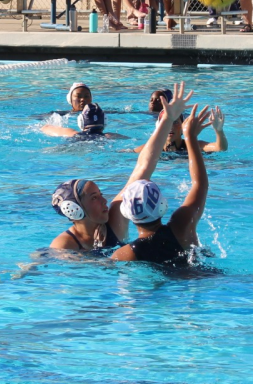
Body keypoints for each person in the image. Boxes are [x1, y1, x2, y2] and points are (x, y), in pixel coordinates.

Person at [49, 81, 192, 253]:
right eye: (94, 197)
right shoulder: (63, 247)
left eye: (100, 195)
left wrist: (167, 120)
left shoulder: (114, 220)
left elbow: (144, 166)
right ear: (75, 209)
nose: (105, 201)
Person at [112, 103, 213, 267]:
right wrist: (191, 138)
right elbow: (200, 184)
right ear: (162, 204)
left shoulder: (124, 254)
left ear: (126, 212)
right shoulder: (181, 224)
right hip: (203, 279)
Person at [148, 87, 227, 153]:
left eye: (175, 122)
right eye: (166, 123)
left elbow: (220, 148)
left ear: (183, 125)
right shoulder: (153, 148)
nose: (171, 127)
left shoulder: (192, 145)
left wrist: (219, 131)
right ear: (159, 127)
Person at [41, 102, 117, 139]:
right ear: (105, 121)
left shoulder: (72, 133)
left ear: (81, 121)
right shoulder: (109, 136)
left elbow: (45, 128)